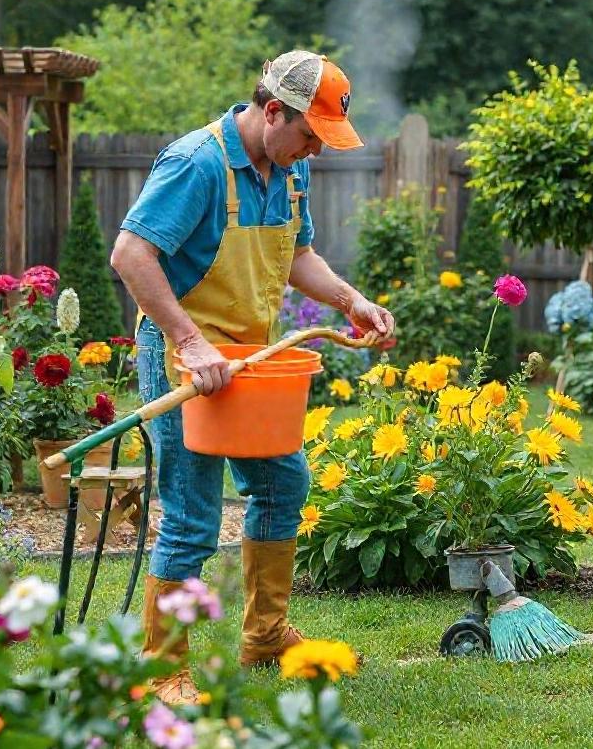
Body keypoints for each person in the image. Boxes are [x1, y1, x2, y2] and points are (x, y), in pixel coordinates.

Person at [111, 51, 395, 704]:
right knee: (191, 511)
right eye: (311, 137)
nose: (316, 153)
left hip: (253, 360)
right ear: (273, 111)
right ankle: (161, 669)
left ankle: (263, 633)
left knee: (282, 479)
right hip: (186, 358)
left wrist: (350, 300)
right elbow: (131, 253)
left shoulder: (287, 170)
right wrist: (189, 338)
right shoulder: (197, 163)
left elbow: (297, 254)